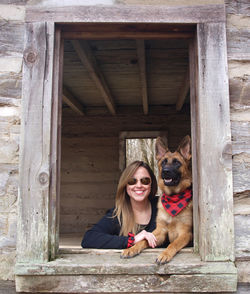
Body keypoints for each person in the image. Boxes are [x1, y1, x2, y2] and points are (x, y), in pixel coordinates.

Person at [81, 160, 159, 249]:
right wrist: (132, 240)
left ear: (151, 184)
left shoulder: (162, 207)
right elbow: (89, 238)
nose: (139, 185)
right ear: (125, 185)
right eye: (132, 181)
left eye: (145, 180)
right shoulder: (117, 215)